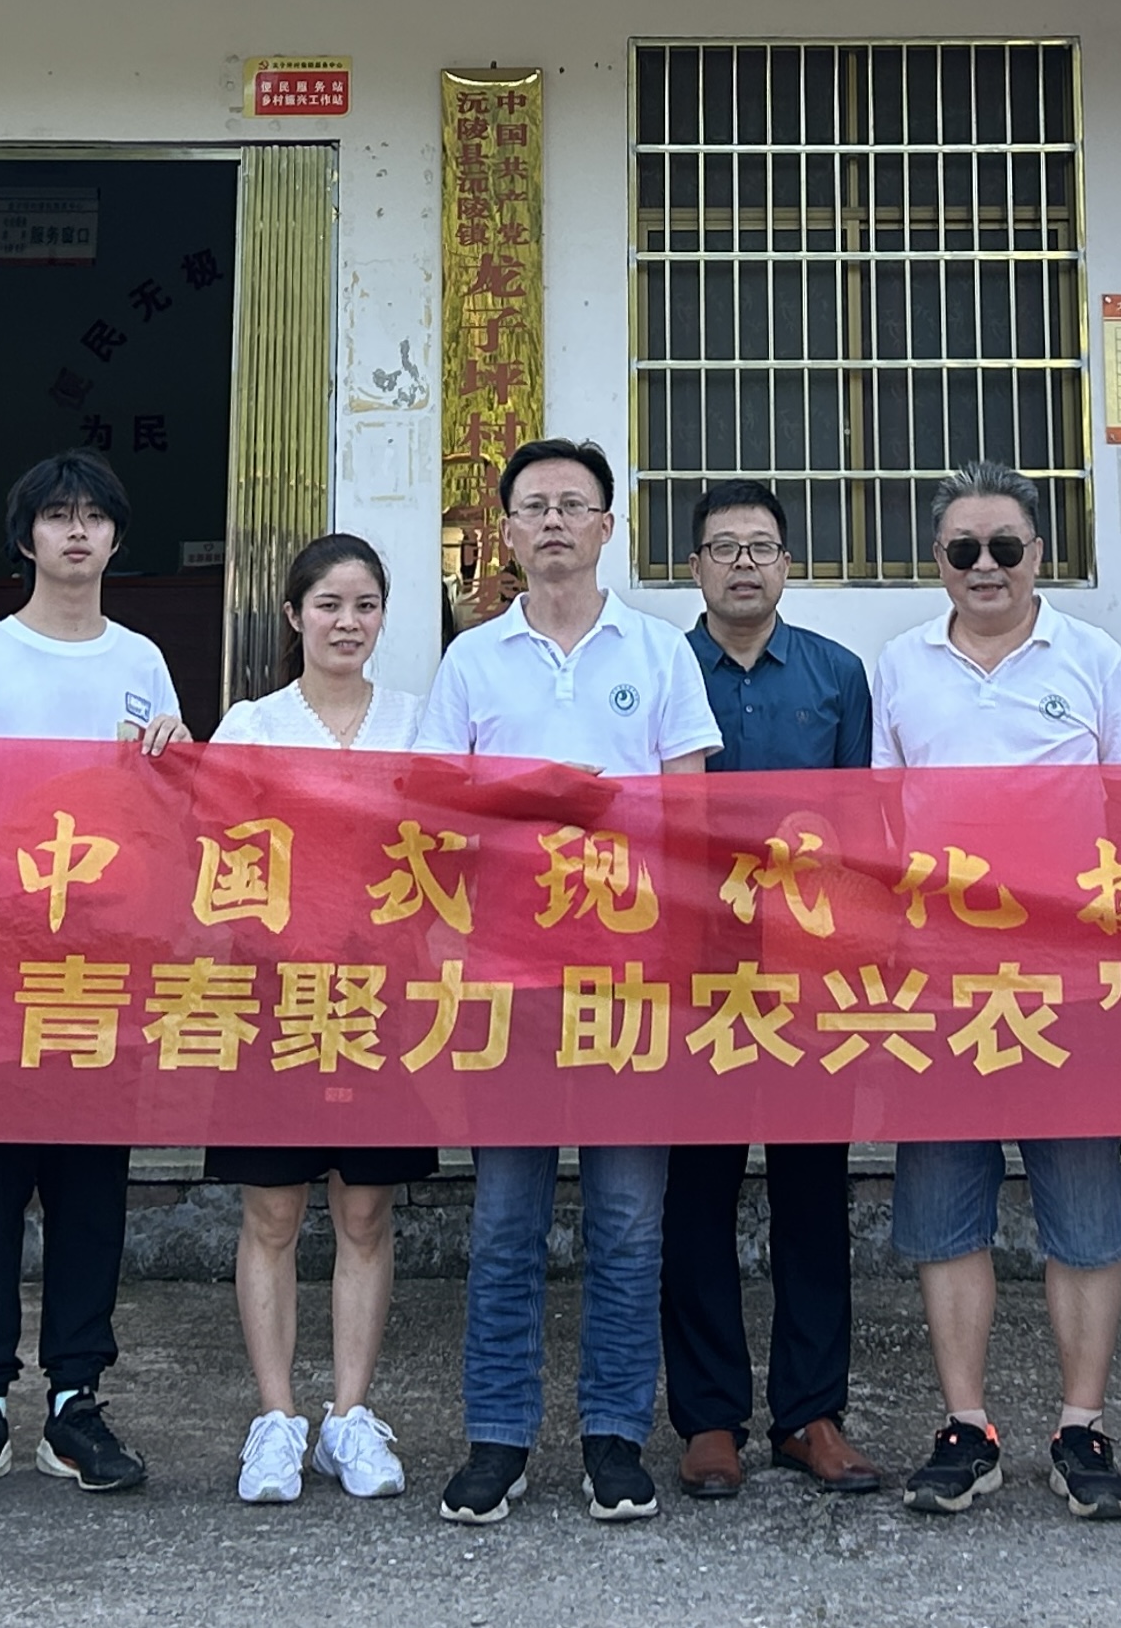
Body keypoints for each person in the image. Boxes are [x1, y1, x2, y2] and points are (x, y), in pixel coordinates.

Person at [416, 437, 719, 1526]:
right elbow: (437, 812)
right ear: (504, 532)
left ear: (607, 527)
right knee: (505, 1220)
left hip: (630, 980)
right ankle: (497, 1437)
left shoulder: (660, 652)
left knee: (628, 1222)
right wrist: (532, 803)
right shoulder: (471, 661)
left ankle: (613, 1437)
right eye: (533, 506)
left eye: (572, 504)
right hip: (509, 978)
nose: (553, 521)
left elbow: (690, 816)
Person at [871, 461, 1121, 1521]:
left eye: (1003, 547)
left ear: (1039, 552)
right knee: (946, 1214)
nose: (983, 567)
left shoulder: (1094, 660)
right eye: (962, 549)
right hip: (945, 985)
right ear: (936, 560)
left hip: (1070, 985)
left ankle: (1082, 1427)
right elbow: (882, 819)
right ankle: (966, 1427)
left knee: (1085, 1214)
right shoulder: (901, 665)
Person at [0, 447, 182, 1504]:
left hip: (104, 974)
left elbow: (168, 817)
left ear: (116, 537)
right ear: (25, 536)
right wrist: (9, 893)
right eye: (57, 515)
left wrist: (178, 756)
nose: (77, 533)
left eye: (95, 517)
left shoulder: (142, 660)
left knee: (90, 1193)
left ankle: (76, 1401)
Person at [662, 478, 880, 1506]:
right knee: (695, 1195)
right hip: (691, 975)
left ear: (788, 564)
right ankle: (708, 1419)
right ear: (694, 567)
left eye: (760, 546)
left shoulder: (837, 675)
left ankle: (810, 1413)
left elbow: (865, 831)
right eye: (723, 547)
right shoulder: (662, 670)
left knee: (812, 1193)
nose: (742, 563)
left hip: (808, 978)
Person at [205, 534, 428, 1507]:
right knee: (271, 1211)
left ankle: (349, 1415)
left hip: (382, 998)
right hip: (273, 997)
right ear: (294, 615)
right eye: (329, 604)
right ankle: (274, 1417)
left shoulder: (419, 723)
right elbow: (205, 851)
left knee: (365, 1211)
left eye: (365, 604)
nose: (347, 622)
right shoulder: (249, 726)